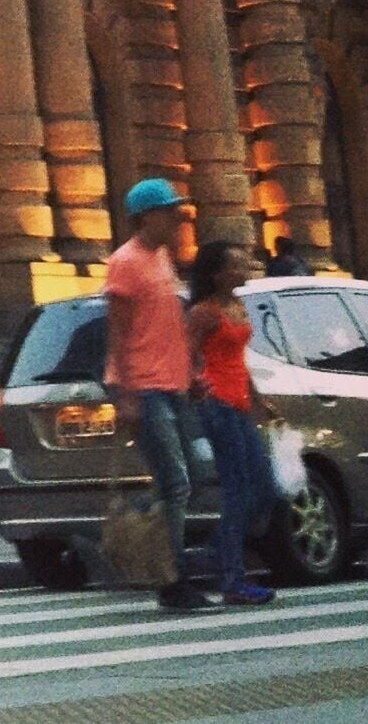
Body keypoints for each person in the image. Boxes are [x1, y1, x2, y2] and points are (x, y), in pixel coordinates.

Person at [106, 177, 207, 611]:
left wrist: (193, 372)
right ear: (146, 216)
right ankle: (172, 578)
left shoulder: (164, 258)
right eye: (169, 211)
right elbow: (118, 332)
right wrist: (126, 394)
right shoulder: (124, 262)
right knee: (176, 484)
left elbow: (171, 326)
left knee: (189, 479)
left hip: (173, 385)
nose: (177, 218)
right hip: (144, 388)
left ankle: (151, 541)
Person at [186, 241, 278, 607]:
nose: (244, 270)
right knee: (237, 489)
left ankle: (218, 548)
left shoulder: (237, 306)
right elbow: (188, 355)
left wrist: (258, 398)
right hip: (217, 405)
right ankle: (232, 579)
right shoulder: (203, 313)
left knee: (265, 487)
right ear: (216, 274)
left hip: (239, 402)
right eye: (236, 265)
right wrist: (196, 383)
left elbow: (239, 358)